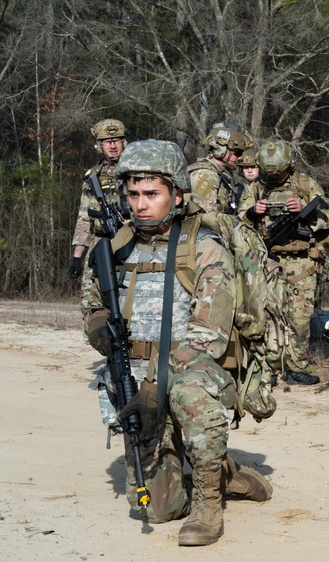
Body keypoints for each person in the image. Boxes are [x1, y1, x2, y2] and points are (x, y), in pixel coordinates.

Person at [82, 139, 271, 546]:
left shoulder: (204, 248)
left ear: (178, 194)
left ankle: (209, 499)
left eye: (151, 193)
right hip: (136, 380)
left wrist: (157, 383)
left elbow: (208, 336)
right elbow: (90, 301)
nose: (140, 204)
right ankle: (223, 469)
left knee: (189, 391)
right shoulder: (114, 247)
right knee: (156, 509)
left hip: (191, 371)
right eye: (133, 194)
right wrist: (98, 325)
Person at [239, 139, 329, 385]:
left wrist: (306, 210)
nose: (275, 177)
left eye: (278, 172)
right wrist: (252, 213)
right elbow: (238, 224)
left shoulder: (305, 184)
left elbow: (328, 218)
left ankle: (296, 367)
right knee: (268, 319)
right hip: (268, 262)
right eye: (270, 173)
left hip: (302, 263)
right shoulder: (255, 190)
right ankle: (267, 370)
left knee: (300, 321)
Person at [69, 118, 128, 304]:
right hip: (99, 243)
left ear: (124, 142)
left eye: (117, 140)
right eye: (107, 142)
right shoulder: (92, 177)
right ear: (99, 145)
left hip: (129, 241)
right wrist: (77, 257)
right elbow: (84, 218)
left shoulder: (135, 172)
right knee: (90, 302)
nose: (112, 146)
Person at [188, 122, 251, 214]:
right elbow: (204, 216)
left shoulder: (219, 174)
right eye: (237, 153)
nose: (240, 157)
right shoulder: (206, 175)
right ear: (221, 150)